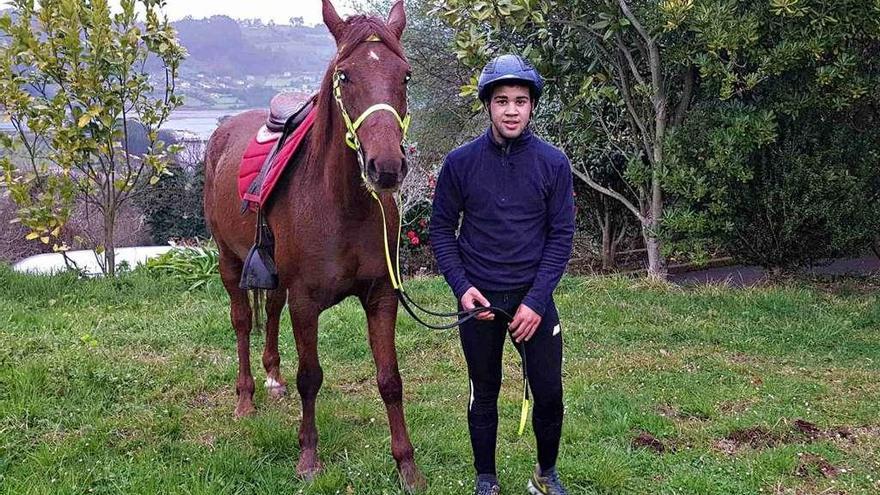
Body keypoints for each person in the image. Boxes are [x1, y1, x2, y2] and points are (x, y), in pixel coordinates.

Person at [430, 54, 575, 495]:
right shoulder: (461, 162)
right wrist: (463, 288)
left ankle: (544, 475)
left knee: (549, 393)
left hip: (533, 297)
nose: (511, 110)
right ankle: (486, 480)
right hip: (481, 301)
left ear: (532, 107)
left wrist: (535, 301)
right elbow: (440, 229)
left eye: (520, 101)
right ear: (488, 106)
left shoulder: (553, 162)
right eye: (501, 100)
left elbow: (561, 235)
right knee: (484, 390)